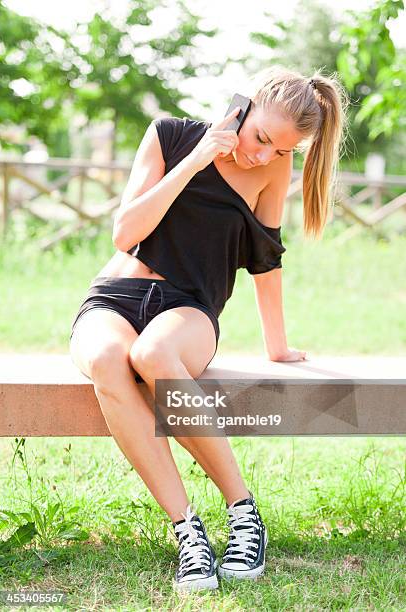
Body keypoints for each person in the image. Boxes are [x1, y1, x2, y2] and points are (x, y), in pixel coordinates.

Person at [69, 65, 347, 591]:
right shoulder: (170, 135)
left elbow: (267, 259)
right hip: (113, 298)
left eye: (282, 150)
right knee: (110, 359)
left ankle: (243, 513)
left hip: (188, 309)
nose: (263, 155)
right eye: (261, 137)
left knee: (153, 356)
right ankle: (188, 532)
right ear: (243, 105)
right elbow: (124, 232)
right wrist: (196, 161)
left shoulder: (272, 169)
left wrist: (278, 345)